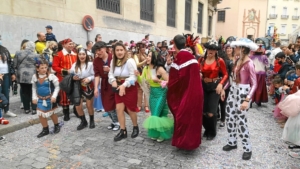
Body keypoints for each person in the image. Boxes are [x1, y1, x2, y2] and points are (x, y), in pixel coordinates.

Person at [222, 38, 258, 160]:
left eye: (236, 48)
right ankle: (232, 142)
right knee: (230, 116)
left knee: (241, 121)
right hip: (233, 91)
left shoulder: (249, 64)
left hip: (243, 93)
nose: (233, 49)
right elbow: (232, 79)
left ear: (242, 49)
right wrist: (224, 88)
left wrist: (247, 100)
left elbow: (254, 84)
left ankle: (247, 148)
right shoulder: (237, 61)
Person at [167, 35, 203, 150]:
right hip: (197, 93)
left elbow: (175, 81)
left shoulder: (179, 58)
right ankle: (193, 142)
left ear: (174, 45)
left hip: (186, 94)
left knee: (182, 118)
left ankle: (183, 143)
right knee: (194, 118)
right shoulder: (192, 57)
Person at [138, 50, 173, 142]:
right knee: (155, 114)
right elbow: (141, 80)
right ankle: (156, 132)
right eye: (147, 56)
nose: (147, 58)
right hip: (152, 94)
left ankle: (162, 133)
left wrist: (158, 81)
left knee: (157, 113)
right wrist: (137, 76)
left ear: (154, 58)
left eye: (149, 56)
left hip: (161, 93)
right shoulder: (146, 69)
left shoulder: (159, 69)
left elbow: (170, 82)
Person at [108, 43, 139, 142]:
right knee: (119, 109)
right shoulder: (113, 61)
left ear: (125, 50)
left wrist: (124, 85)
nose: (119, 52)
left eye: (121, 50)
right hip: (118, 86)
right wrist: (112, 80)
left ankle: (135, 126)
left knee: (130, 109)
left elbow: (134, 76)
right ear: (114, 51)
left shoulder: (130, 61)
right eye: (117, 50)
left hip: (129, 87)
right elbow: (110, 74)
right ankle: (123, 130)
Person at [199, 39, 228, 140]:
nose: (211, 50)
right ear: (206, 49)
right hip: (203, 86)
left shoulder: (220, 61)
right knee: (203, 112)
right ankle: (206, 129)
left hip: (215, 87)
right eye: (209, 48)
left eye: (213, 49)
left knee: (211, 112)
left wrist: (221, 84)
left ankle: (212, 132)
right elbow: (198, 71)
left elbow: (225, 74)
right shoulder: (201, 60)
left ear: (216, 50)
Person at [93, 41, 120, 131]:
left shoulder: (113, 57)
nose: (97, 52)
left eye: (99, 50)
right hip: (104, 84)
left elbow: (121, 71)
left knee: (112, 103)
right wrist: (96, 88)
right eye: (96, 51)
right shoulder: (96, 61)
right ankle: (113, 121)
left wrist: (110, 70)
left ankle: (117, 122)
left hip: (114, 83)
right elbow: (97, 75)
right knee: (106, 104)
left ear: (105, 49)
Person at [32, 60, 60, 138]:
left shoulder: (51, 76)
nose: (44, 69)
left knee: (52, 113)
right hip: (40, 99)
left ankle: (56, 125)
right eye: (42, 68)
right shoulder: (35, 77)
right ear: (37, 69)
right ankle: (45, 129)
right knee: (41, 114)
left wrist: (54, 96)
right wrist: (34, 98)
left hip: (50, 99)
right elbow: (34, 88)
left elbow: (57, 87)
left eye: (45, 67)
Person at [70, 48, 95, 130]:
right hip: (77, 86)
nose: (82, 56)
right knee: (78, 106)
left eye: (83, 54)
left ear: (86, 55)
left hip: (88, 86)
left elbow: (94, 75)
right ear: (78, 55)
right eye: (80, 54)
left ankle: (92, 120)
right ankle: (83, 121)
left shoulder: (90, 64)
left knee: (89, 105)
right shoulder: (74, 65)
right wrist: (73, 77)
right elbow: (70, 75)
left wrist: (89, 78)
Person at [52, 38, 77, 121]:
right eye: (69, 44)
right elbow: (54, 67)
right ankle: (66, 113)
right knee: (64, 96)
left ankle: (76, 110)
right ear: (64, 45)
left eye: (72, 44)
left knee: (75, 94)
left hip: (74, 78)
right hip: (63, 78)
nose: (71, 45)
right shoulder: (58, 54)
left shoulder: (75, 54)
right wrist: (66, 71)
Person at [14, 41, 40, 115]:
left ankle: (26, 109)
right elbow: (39, 64)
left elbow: (15, 64)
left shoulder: (18, 53)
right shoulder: (36, 55)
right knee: (33, 91)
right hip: (33, 75)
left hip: (22, 75)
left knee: (25, 92)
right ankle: (34, 108)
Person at [0, 36, 17, 117]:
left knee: (6, 93)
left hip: (6, 74)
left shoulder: (5, 49)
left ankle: (6, 110)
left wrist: (12, 73)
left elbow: (10, 62)